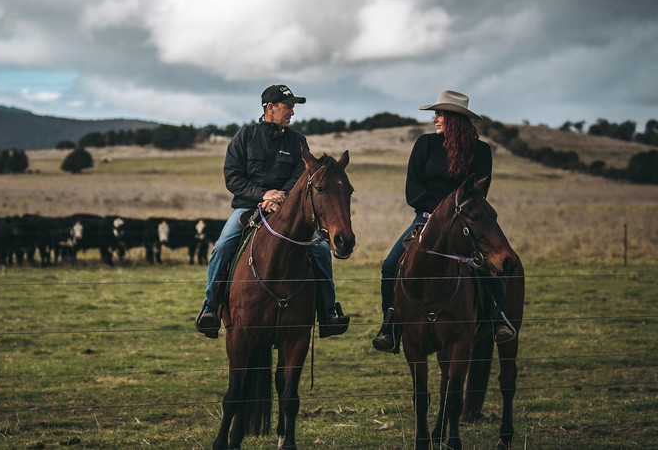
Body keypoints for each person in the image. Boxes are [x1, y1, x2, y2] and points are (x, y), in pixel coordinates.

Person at [195, 84, 350, 339]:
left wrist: (281, 198)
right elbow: (233, 178)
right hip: (247, 206)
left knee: (321, 249)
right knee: (223, 246)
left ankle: (327, 312)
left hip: (288, 208)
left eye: (293, 108)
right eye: (288, 107)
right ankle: (211, 307)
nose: (292, 113)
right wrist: (262, 195)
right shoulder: (243, 138)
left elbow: (301, 176)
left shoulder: (298, 140)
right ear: (270, 108)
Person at [372, 90, 517, 354]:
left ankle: (500, 318)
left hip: (467, 222)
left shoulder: (481, 151)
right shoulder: (424, 145)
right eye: (435, 114)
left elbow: (478, 194)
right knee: (390, 265)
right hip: (426, 219)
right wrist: (439, 215)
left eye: (439, 115)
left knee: (486, 264)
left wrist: (456, 215)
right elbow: (413, 190)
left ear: (455, 119)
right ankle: (391, 324)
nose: (435, 120)